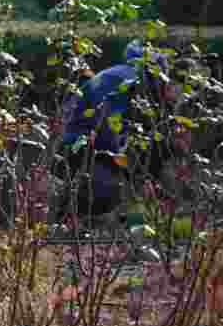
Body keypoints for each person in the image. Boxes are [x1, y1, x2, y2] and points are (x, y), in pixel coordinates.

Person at [52, 40, 188, 223]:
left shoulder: (125, 75)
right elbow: (109, 126)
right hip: (79, 148)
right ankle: (76, 219)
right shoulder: (131, 79)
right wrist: (132, 173)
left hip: (78, 144)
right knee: (111, 185)